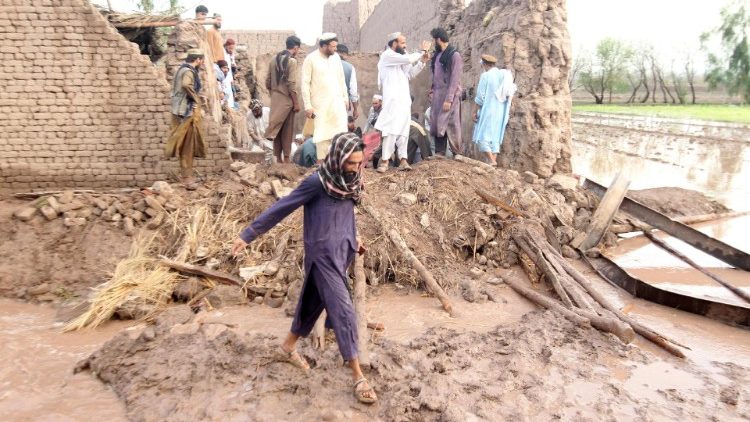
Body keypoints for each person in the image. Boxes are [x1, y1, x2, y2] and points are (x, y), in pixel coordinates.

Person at [231, 133, 377, 404]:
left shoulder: (351, 182)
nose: (356, 168)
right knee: (344, 310)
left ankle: (288, 346)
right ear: (338, 159)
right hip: (322, 256)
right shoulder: (317, 183)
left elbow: (345, 216)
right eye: (351, 163)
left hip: (341, 253)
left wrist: (354, 239)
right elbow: (282, 207)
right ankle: (357, 375)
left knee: (312, 302)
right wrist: (248, 234)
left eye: (359, 163)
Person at [374, 32, 431, 173]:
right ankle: (385, 161)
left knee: (403, 130)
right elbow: (408, 59)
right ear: (394, 43)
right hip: (392, 100)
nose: (405, 45)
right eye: (403, 43)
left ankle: (403, 160)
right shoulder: (387, 56)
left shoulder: (401, 58)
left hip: (404, 101)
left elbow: (410, 73)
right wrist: (422, 51)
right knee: (390, 130)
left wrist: (422, 62)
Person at [301, 33, 349, 163]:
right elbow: (305, 83)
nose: (335, 49)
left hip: (337, 103)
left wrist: (345, 97)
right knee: (322, 135)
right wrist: (308, 105)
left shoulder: (336, 58)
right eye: (332, 47)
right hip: (320, 105)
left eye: (335, 46)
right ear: (323, 46)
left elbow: (341, 79)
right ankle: (321, 166)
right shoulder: (310, 59)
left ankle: (337, 165)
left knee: (339, 133)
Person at [167, 49, 206, 190]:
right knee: (187, 146)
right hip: (185, 113)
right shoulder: (189, 72)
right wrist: (196, 98)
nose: (202, 63)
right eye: (201, 60)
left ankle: (186, 175)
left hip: (179, 111)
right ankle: (187, 178)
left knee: (185, 146)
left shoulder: (181, 69)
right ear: (198, 60)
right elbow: (186, 85)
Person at [472, 54, 517, 165]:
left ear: (484, 64)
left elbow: (480, 97)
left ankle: (492, 161)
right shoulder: (504, 75)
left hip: (489, 110)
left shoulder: (486, 76)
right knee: (495, 138)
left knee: (483, 137)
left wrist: (474, 111)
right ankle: (492, 163)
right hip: (501, 112)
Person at [265, 35, 302, 164]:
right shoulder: (292, 61)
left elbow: (267, 82)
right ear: (296, 47)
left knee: (277, 130)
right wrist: (296, 103)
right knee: (287, 129)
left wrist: (274, 94)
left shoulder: (273, 60)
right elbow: (291, 84)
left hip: (275, 99)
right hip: (287, 101)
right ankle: (286, 158)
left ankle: (278, 158)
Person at [429, 27, 463, 158]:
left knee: (452, 123)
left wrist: (449, 99)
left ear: (438, 40)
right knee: (437, 123)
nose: (433, 43)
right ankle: (440, 152)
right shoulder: (437, 56)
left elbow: (455, 79)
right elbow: (434, 76)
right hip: (437, 95)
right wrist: (432, 92)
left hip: (450, 95)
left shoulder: (455, 55)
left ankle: (457, 152)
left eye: (434, 41)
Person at [337, 44, 360, 120]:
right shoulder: (349, 67)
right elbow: (353, 91)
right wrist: (355, 109)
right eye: (347, 55)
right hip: (343, 105)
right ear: (343, 54)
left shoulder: (324, 64)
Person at [222, 38, 237, 109]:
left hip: (229, 75)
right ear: (226, 46)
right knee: (225, 92)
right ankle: (226, 107)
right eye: (230, 48)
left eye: (232, 48)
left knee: (230, 93)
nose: (231, 50)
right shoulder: (222, 52)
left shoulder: (230, 54)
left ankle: (230, 107)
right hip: (224, 76)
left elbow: (232, 64)